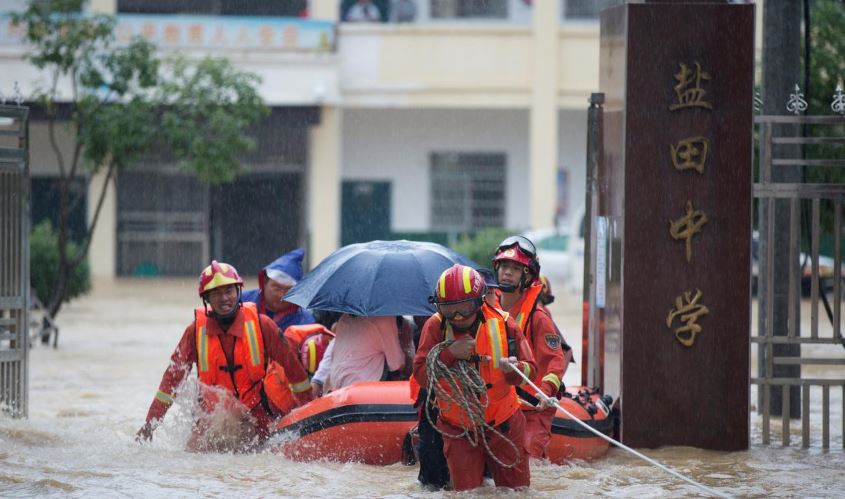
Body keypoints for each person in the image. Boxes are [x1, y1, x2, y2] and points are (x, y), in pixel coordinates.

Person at [136, 261, 314, 451]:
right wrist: (150, 425)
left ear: (238, 291)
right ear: (207, 299)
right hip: (211, 422)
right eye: (217, 293)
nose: (224, 298)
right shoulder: (194, 332)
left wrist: (309, 413)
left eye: (229, 291)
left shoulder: (263, 326)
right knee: (196, 447)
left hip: (257, 422)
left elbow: (295, 372)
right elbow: (170, 383)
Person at [413, 264, 536, 491]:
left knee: (517, 492)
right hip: (458, 429)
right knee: (467, 493)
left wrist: (515, 370)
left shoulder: (506, 325)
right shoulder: (435, 326)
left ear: (479, 302)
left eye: (465, 308)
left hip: (504, 425)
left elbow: (531, 370)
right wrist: (449, 354)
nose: (458, 317)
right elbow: (421, 374)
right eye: (451, 310)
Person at [493, 236, 573, 460]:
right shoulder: (488, 309)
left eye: (515, 269)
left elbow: (556, 360)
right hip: (500, 404)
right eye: (504, 266)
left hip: (533, 408)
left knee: (528, 461)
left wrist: (545, 392)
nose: (507, 272)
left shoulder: (538, 317)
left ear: (527, 276)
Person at [241, 248, 315, 333]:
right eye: (276, 288)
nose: (281, 295)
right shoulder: (241, 302)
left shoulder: (305, 322)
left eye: (288, 290)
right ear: (264, 282)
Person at [326, 314, 406, 390]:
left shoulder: (344, 318)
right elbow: (397, 364)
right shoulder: (385, 319)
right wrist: (407, 342)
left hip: (336, 387)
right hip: (362, 392)